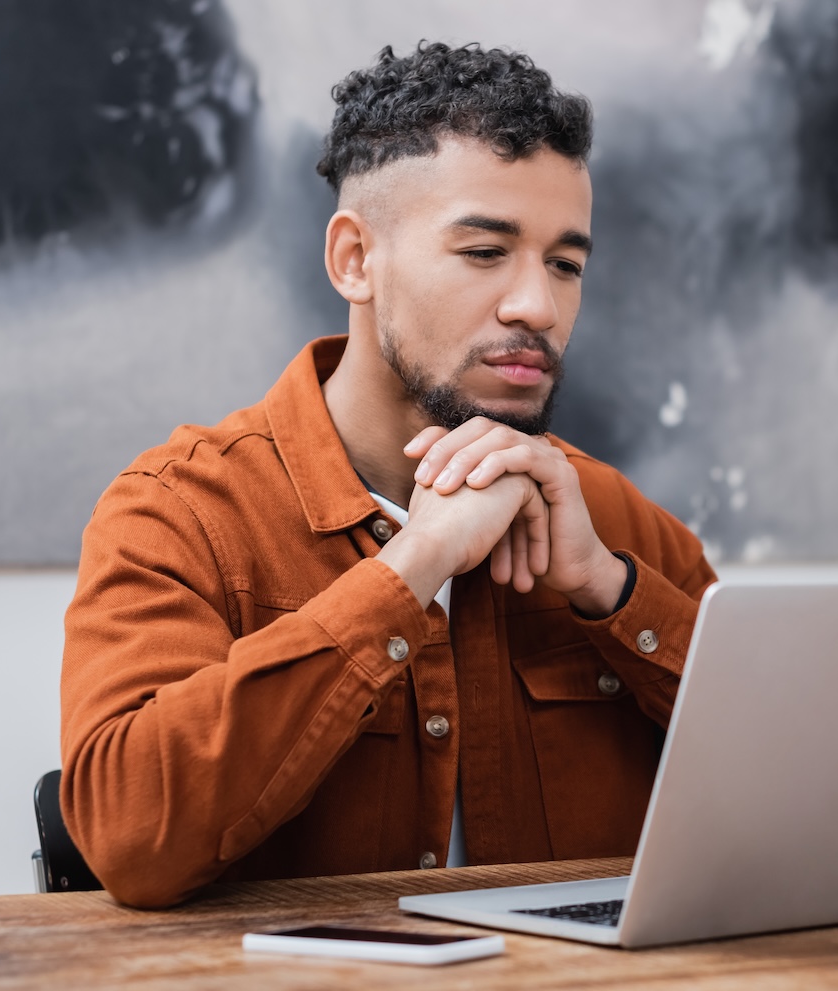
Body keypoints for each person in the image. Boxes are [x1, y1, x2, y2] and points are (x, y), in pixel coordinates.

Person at [59, 41, 717, 908]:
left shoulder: (619, 527)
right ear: (355, 261)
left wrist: (608, 587)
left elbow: (801, 798)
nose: (539, 307)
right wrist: (414, 566)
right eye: (486, 252)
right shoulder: (180, 512)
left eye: (566, 264)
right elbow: (129, 838)